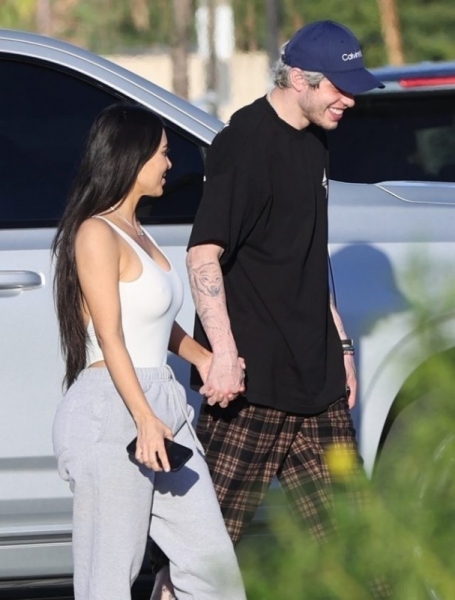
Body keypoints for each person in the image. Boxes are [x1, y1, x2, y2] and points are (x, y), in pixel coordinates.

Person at [186, 18, 385, 555]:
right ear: (300, 79)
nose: (349, 102)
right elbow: (203, 254)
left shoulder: (316, 140)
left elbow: (306, 256)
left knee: (359, 552)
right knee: (200, 557)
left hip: (317, 384)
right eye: (340, 89)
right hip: (254, 385)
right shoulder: (244, 144)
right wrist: (223, 356)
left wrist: (341, 347)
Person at [51, 103, 246, 600]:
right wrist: (143, 417)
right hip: (113, 407)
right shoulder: (95, 232)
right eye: (162, 152)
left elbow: (153, 317)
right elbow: (111, 335)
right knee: (108, 579)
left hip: (160, 399)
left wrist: (203, 358)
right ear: (132, 157)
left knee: (213, 569)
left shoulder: (137, 230)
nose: (169, 164)